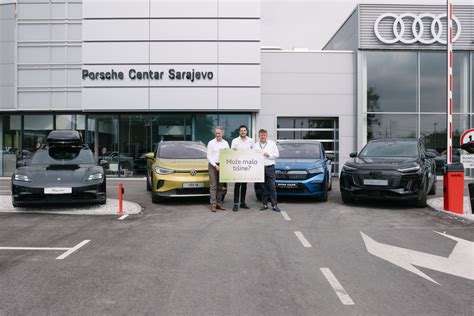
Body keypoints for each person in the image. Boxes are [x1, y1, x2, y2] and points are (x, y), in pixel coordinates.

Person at [254, 129, 281, 212]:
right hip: (260, 168)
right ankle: (265, 204)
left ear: (267, 136)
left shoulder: (272, 144)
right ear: (259, 136)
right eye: (261, 135)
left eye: (264, 135)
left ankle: (274, 205)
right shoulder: (255, 145)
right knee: (263, 188)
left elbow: (277, 155)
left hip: (270, 167)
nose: (263, 137)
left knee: (272, 187)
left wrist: (269, 155)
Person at [231, 125, 255, 212]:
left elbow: (254, 151)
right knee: (237, 185)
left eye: (244, 130)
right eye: (241, 130)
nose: (243, 132)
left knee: (244, 185)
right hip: (238, 165)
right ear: (239, 132)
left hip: (247, 166)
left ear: (247, 131)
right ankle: (236, 204)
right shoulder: (235, 141)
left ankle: (242, 202)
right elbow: (232, 152)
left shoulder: (251, 141)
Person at [207, 126, 230, 212]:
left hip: (223, 165)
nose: (217, 135)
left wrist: (223, 165)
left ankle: (219, 203)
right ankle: (213, 204)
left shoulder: (226, 143)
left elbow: (228, 154)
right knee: (213, 186)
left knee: (220, 186)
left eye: (219, 133)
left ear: (222, 134)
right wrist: (215, 165)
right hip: (213, 165)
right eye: (216, 133)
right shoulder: (211, 143)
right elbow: (209, 156)